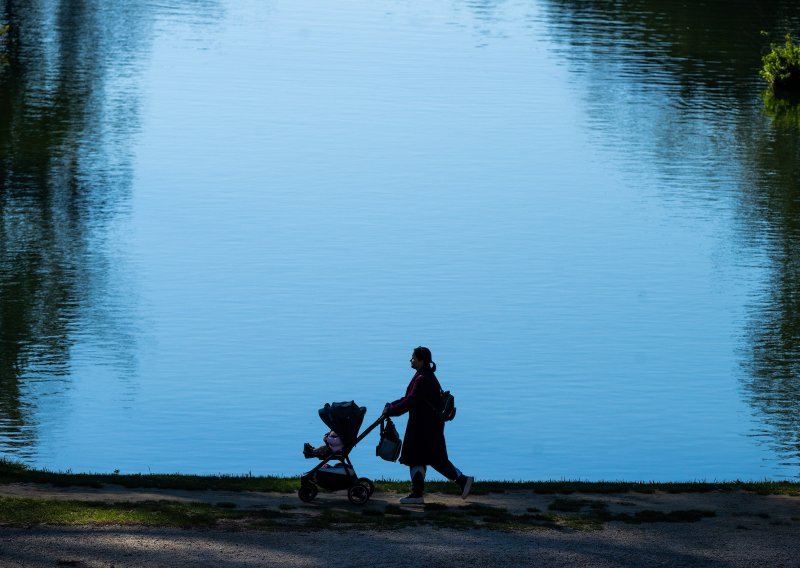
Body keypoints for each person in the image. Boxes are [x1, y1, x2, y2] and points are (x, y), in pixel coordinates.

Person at [383, 346, 473, 504]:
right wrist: (392, 406)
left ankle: (462, 480)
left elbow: (411, 400)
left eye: (413, 357)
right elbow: (409, 398)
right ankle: (417, 493)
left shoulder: (423, 379)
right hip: (425, 426)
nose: (410, 360)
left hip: (425, 427)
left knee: (433, 459)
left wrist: (392, 411)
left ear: (421, 360)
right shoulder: (424, 375)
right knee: (419, 458)